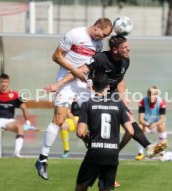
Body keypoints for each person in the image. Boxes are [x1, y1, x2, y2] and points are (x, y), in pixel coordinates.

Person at [45, 35, 167, 158]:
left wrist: (123, 99)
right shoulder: (100, 58)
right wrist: (58, 84)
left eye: (128, 46)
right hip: (96, 96)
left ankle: (146, 147)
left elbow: (120, 81)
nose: (128, 49)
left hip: (112, 96)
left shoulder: (125, 60)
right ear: (115, 50)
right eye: (124, 47)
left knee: (130, 129)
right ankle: (94, 149)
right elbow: (80, 71)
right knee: (82, 133)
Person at [35, 18, 113, 180]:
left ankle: (99, 162)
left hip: (84, 85)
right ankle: (42, 159)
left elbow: (91, 67)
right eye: (103, 34)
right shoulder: (75, 34)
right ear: (97, 27)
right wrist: (74, 72)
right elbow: (56, 56)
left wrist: (91, 83)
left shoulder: (98, 45)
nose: (103, 39)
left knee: (96, 122)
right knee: (59, 119)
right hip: (66, 83)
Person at [75, 72, 134, 191]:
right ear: (108, 87)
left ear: (93, 87)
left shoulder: (88, 104)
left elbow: (80, 132)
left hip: (95, 153)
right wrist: (118, 147)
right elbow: (131, 131)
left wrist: (87, 140)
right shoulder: (118, 104)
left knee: (81, 186)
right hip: (111, 154)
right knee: (106, 188)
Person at [135, 86, 167, 160]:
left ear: (157, 95)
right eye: (151, 94)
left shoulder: (161, 102)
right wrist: (147, 124)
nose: (153, 96)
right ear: (148, 95)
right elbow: (140, 119)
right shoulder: (143, 101)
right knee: (139, 127)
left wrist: (155, 124)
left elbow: (162, 119)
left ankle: (161, 153)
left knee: (162, 127)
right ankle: (140, 153)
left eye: (155, 94)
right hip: (146, 124)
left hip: (157, 124)